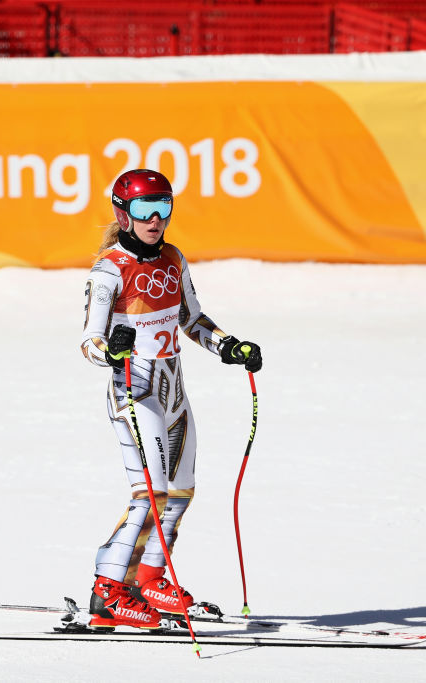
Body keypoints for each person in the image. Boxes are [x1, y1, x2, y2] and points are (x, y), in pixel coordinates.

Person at [80, 168, 263, 629]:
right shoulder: (109, 270)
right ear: (123, 215)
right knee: (151, 495)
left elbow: (191, 319)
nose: (156, 219)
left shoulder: (174, 259)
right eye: (144, 210)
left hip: (174, 391)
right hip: (134, 392)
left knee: (180, 493)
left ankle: (150, 580)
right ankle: (108, 590)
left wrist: (228, 346)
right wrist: (112, 350)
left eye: (164, 207)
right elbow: (89, 342)